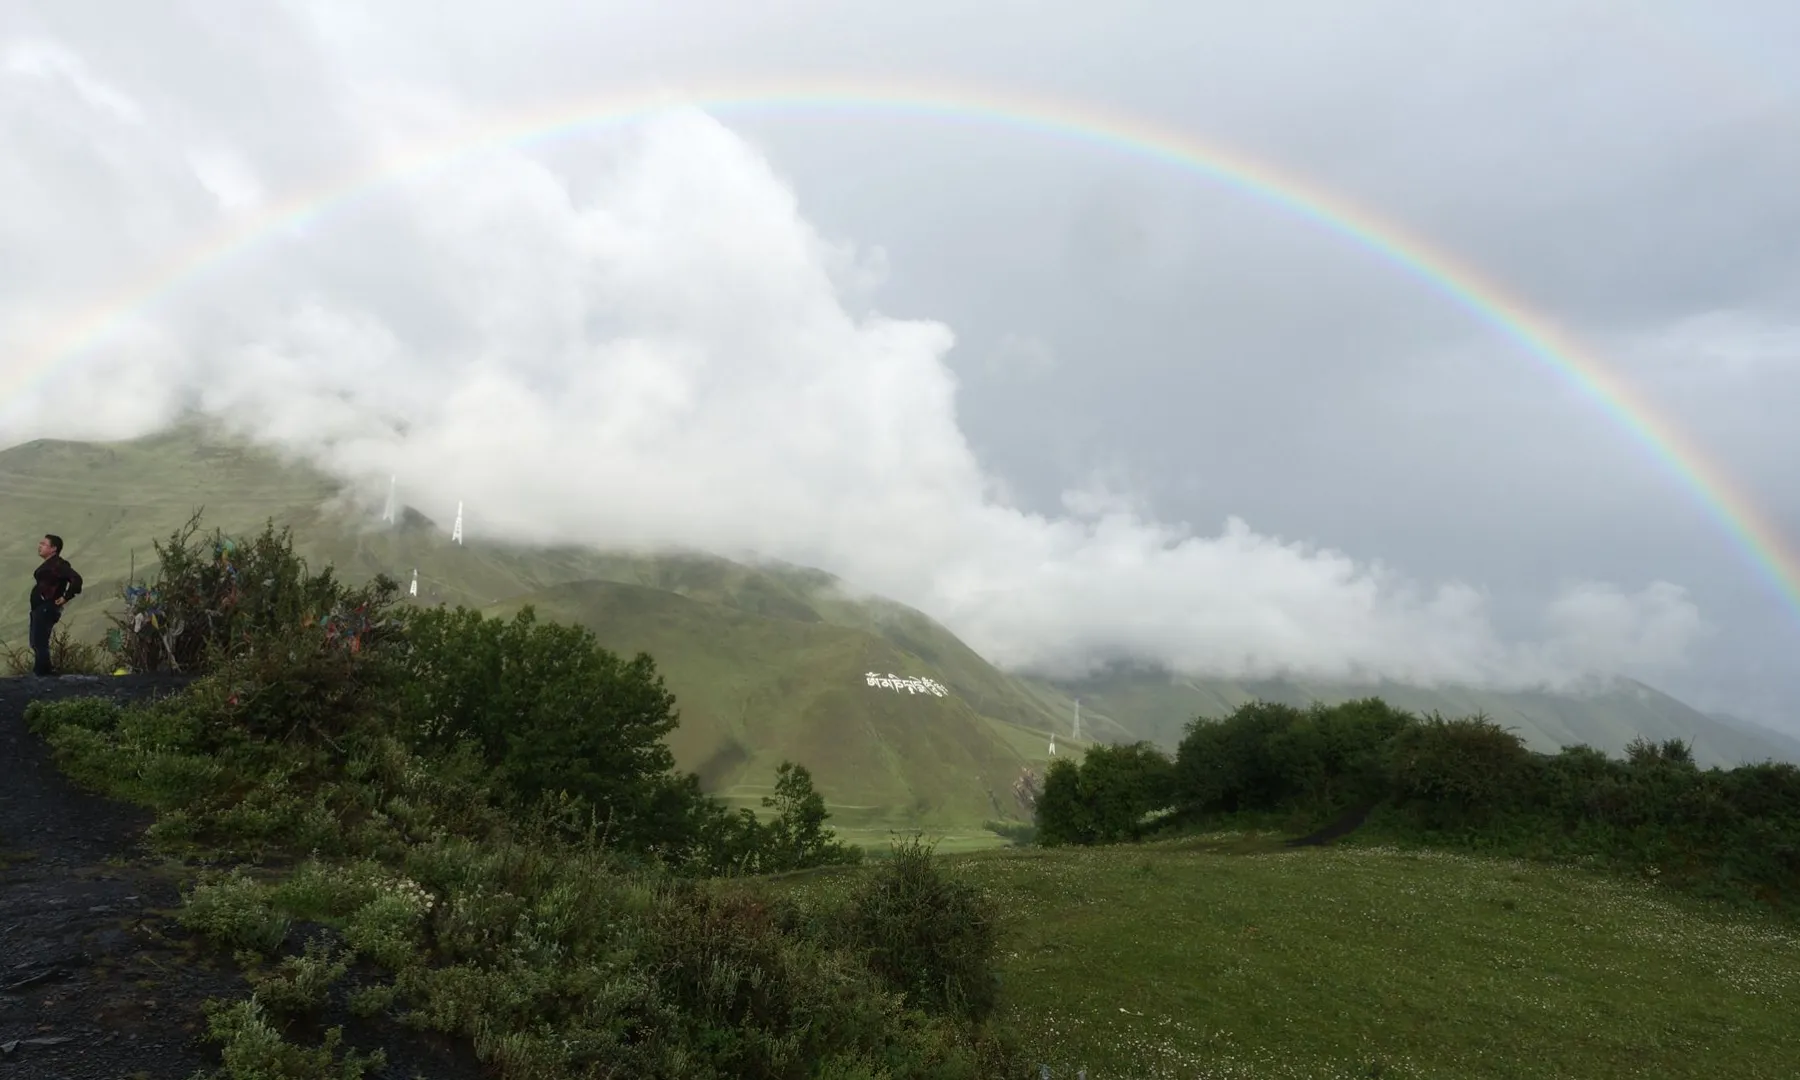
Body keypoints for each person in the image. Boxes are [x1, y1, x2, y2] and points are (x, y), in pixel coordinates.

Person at [29, 534, 82, 678]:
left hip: (46, 607)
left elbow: (76, 579)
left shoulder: (58, 565)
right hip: (40, 608)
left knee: (40, 641)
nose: (40, 546)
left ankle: (42, 674)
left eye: (44, 544)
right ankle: (42, 672)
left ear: (53, 548)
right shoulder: (51, 564)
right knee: (37, 641)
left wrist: (66, 597)